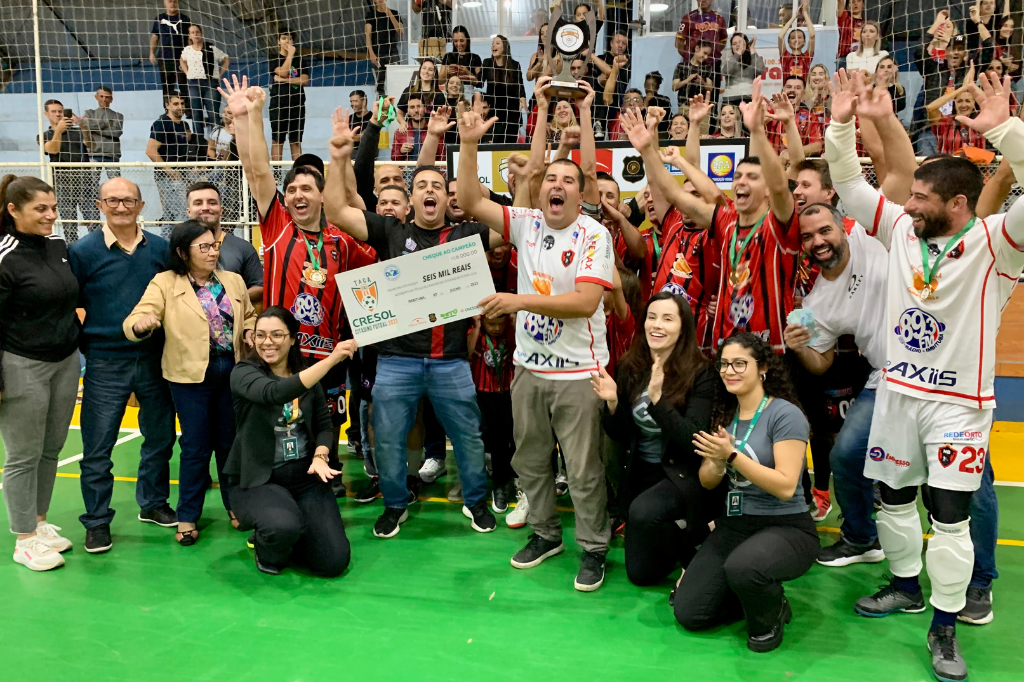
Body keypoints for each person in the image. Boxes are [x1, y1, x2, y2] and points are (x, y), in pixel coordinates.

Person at [825, 69, 1024, 682]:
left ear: (957, 204)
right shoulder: (904, 233)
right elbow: (850, 187)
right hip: (898, 397)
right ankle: (906, 585)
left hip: (959, 406)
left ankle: (944, 626)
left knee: (951, 516)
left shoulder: (998, 244)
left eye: (920, 199)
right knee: (893, 501)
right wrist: (839, 124)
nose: (907, 206)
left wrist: (1008, 133)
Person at [457, 96, 616, 592]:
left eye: (568, 180)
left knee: (584, 470)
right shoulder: (526, 222)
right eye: (551, 178)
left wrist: (516, 300)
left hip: (580, 373)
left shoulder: (593, 236)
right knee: (530, 460)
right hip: (529, 368)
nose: (557, 185)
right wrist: (466, 143)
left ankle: (593, 549)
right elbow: (470, 202)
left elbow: (586, 301)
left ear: (580, 192)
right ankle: (546, 535)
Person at [322, 107, 503, 539]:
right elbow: (335, 211)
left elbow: (517, 227)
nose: (428, 191)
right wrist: (338, 158)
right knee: (386, 439)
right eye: (420, 185)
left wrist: (472, 143)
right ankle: (395, 505)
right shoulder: (389, 232)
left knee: (469, 440)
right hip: (396, 362)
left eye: (436, 186)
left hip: (451, 362)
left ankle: (476, 502)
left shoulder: (468, 235)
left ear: (447, 198)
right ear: (410, 197)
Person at [225, 75, 376, 495]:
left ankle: (322, 487)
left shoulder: (343, 241)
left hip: (327, 358)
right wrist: (250, 116)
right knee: (272, 428)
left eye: (306, 187)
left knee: (325, 428)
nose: (296, 194)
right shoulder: (277, 229)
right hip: (278, 356)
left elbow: (384, 269)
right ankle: (263, 495)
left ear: (324, 196)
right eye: (291, 189)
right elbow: (256, 170)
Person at [622, 79, 799, 354]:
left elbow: (779, 185)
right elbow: (673, 192)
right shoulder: (726, 222)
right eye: (738, 176)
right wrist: (647, 150)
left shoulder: (779, 224)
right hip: (725, 350)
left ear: (766, 192)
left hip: (770, 352)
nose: (741, 181)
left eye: (752, 177)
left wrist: (757, 131)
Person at [677, 333, 818, 653]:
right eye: (725, 364)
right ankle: (753, 590)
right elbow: (708, 482)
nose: (730, 370)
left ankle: (771, 612)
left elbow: (785, 486)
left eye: (740, 363)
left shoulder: (785, 414)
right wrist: (714, 463)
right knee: (690, 613)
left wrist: (731, 456)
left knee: (744, 567)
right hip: (736, 525)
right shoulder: (726, 415)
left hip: (786, 527)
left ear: (763, 367)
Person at [124, 220, 256, 546]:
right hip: (189, 377)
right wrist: (142, 324)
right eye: (204, 247)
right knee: (195, 448)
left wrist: (251, 331)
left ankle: (235, 506)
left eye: (215, 246)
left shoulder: (233, 281)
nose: (212, 252)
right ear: (183, 252)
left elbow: (249, 316)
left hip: (233, 371)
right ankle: (187, 515)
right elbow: (136, 318)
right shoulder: (165, 283)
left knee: (230, 445)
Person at [69, 178, 178, 554]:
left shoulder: (161, 249)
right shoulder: (82, 252)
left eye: (128, 200)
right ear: (99, 205)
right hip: (104, 362)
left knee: (161, 437)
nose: (120, 207)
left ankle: (153, 503)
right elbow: (69, 302)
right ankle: (97, 522)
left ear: (141, 204)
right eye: (112, 200)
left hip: (154, 359)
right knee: (98, 447)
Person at [593, 293, 721, 587]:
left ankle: (696, 556)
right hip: (640, 473)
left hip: (681, 473)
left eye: (667, 318)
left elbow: (694, 440)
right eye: (651, 317)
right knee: (641, 575)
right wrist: (613, 403)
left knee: (643, 512)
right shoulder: (631, 366)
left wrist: (658, 401)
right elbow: (621, 435)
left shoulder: (701, 373)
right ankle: (691, 535)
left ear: (683, 327)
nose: (657, 325)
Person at [227, 307, 356, 576]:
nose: (267, 342)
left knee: (333, 562)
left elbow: (323, 426)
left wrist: (321, 455)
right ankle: (267, 544)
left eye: (277, 334)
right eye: (260, 335)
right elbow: (274, 393)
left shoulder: (307, 373)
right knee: (281, 527)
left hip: (304, 476)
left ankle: (293, 530)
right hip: (260, 478)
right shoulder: (243, 372)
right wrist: (332, 360)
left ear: (293, 338)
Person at [0, 175, 81, 571]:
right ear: (14, 210)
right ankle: (23, 539)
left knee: (51, 449)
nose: (51, 216)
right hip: (20, 365)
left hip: (65, 361)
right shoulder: (4, 254)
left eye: (53, 208)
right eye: (41, 210)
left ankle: (40, 522)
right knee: (22, 455)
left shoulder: (57, 247)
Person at [185, 181, 263, 304]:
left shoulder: (243, 248)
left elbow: (259, 287)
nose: (205, 207)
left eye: (212, 203)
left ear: (221, 210)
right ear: (188, 211)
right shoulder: (178, 249)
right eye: (198, 203)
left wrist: (227, 300)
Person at [471, 313, 517, 512]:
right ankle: (471, 485)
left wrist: (514, 325)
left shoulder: (511, 335)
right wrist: (476, 326)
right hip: (478, 394)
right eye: (491, 324)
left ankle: (500, 485)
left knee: (501, 442)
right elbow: (466, 353)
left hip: (504, 394)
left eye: (500, 323)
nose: (496, 328)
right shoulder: (476, 335)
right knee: (475, 441)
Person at [39, 99, 99, 237]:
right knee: (69, 225)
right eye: (54, 111)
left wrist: (83, 127)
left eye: (60, 111)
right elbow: (53, 150)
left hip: (85, 182)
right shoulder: (43, 136)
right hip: (63, 184)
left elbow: (92, 146)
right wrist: (58, 131)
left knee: (93, 222)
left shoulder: (77, 132)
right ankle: (71, 253)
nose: (58, 114)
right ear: (46, 114)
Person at [146, 94, 194, 225]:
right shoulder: (161, 124)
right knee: (179, 214)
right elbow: (150, 151)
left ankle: (166, 244)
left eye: (182, 103)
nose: (180, 107)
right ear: (167, 105)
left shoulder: (184, 125)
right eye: (176, 104)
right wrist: (169, 171)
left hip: (183, 174)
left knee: (171, 215)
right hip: (168, 177)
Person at [179, 24, 229, 140]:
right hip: (194, 84)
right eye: (192, 32)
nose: (195, 34)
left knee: (213, 114)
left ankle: (216, 141)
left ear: (201, 33)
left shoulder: (210, 48)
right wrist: (187, 73)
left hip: (210, 83)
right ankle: (199, 143)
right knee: (196, 115)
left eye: (197, 32)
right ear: (189, 35)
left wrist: (219, 74)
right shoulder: (187, 50)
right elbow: (182, 61)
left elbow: (225, 59)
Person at [269, 30, 309, 162]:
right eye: (284, 38)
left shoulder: (301, 60)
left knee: (296, 141)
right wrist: (290, 55)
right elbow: (284, 71)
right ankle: (276, 174)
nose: (287, 41)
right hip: (279, 104)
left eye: (290, 38)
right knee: (278, 139)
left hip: (297, 103)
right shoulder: (274, 58)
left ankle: (298, 171)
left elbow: (304, 80)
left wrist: (284, 80)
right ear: (278, 41)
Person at [480, 35, 526, 143]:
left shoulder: (515, 65)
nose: (493, 45)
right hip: (494, 112)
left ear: (504, 47)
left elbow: (520, 85)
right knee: (493, 143)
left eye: (497, 43)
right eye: (492, 43)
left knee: (509, 143)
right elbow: (479, 82)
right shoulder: (487, 63)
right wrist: (469, 75)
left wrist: (523, 99)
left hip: (511, 112)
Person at [767, 76, 824, 156]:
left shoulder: (810, 117)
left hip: (798, 165)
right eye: (788, 87)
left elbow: (817, 146)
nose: (792, 90)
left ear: (803, 94)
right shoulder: (770, 112)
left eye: (797, 88)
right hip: (771, 164)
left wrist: (791, 154)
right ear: (782, 91)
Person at [149, 0, 190, 99]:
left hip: (182, 59)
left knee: (184, 86)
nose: (172, 3)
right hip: (165, 58)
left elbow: (189, 38)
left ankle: (189, 112)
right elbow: (155, 37)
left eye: (175, 1)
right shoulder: (159, 18)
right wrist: (152, 53)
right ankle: (168, 111)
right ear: (164, 3)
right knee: (167, 86)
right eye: (170, 1)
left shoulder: (185, 19)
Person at [81, 86, 124, 181]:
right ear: (96, 97)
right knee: (91, 184)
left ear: (111, 99)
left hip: (112, 154)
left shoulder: (118, 115)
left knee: (115, 183)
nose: (104, 99)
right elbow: (85, 126)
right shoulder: (89, 113)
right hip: (93, 153)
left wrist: (93, 125)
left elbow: (117, 132)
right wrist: (107, 124)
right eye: (101, 96)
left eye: (107, 97)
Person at [364, 0, 404, 98]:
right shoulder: (371, 15)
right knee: (380, 84)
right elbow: (367, 35)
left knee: (396, 81)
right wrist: (371, 53)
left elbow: (400, 31)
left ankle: (395, 106)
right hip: (378, 53)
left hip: (392, 53)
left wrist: (388, 12)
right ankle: (381, 108)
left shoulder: (395, 13)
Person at [720, 33, 766, 114]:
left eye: (740, 42)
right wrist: (738, 54)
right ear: (731, 47)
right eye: (734, 44)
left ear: (746, 44)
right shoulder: (729, 60)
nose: (738, 45)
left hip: (749, 99)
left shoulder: (752, 60)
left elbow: (761, 69)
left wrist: (751, 49)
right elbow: (726, 72)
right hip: (730, 99)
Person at [674, 0, 728, 64]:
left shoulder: (719, 18)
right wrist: (688, 57)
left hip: (713, 63)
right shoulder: (689, 17)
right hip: (693, 64)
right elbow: (679, 42)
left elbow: (723, 41)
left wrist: (713, 53)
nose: (703, 0)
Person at [672, 42, 716, 119]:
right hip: (685, 107)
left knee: (702, 131)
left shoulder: (708, 68)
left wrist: (702, 82)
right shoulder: (681, 66)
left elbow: (710, 88)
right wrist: (687, 80)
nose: (705, 57)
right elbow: (674, 87)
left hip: (702, 109)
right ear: (697, 49)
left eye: (707, 55)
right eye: (704, 53)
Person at [397, 59, 442, 129]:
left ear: (434, 74)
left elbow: (442, 118)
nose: (426, 71)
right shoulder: (409, 90)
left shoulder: (439, 95)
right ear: (420, 71)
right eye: (424, 68)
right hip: (411, 131)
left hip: (430, 132)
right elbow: (400, 114)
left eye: (430, 69)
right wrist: (403, 122)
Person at [778, 0, 816, 83]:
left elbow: (812, 35)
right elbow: (780, 37)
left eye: (799, 37)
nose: (796, 40)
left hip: (803, 93)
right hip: (787, 92)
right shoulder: (785, 57)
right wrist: (795, 16)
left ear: (804, 42)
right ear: (788, 42)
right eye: (792, 38)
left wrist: (805, 12)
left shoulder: (806, 57)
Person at [391, 95, 436, 161]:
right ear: (408, 111)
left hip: (429, 170)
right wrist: (401, 151)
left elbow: (442, 157)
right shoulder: (400, 132)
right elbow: (394, 158)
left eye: (419, 106)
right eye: (412, 107)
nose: (416, 110)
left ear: (425, 108)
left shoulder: (434, 131)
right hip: (407, 170)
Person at [440, 26, 482, 93]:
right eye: (455, 41)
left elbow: (480, 83)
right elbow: (439, 81)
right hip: (451, 92)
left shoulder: (475, 58)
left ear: (467, 40)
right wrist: (446, 72)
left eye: (461, 41)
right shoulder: (448, 56)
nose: (459, 44)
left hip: (468, 93)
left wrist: (467, 72)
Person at [836, 0, 867, 71]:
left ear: (863, 5)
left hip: (862, 58)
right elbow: (840, 1)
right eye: (853, 1)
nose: (855, 3)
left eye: (858, 1)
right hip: (845, 59)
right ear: (848, 6)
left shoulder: (867, 24)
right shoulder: (844, 18)